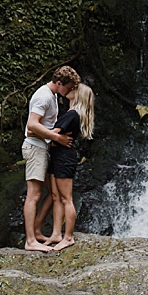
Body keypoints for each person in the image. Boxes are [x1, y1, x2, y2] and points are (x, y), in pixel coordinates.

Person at [21, 65, 79, 250]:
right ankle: (30, 241)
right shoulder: (44, 96)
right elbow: (31, 125)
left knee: (54, 194)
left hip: (44, 149)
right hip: (35, 148)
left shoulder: (53, 95)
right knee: (34, 194)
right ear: (59, 83)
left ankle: (38, 231)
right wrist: (57, 137)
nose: (69, 92)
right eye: (68, 88)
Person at [46, 81, 94, 248]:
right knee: (55, 197)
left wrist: (33, 131)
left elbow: (52, 134)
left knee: (66, 199)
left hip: (63, 158)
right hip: (58, 156)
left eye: (75, 89)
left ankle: (68, 237)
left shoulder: (72, 114)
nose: (70, 89)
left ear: (78, 95)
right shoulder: (71, 113)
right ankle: (56, 234)